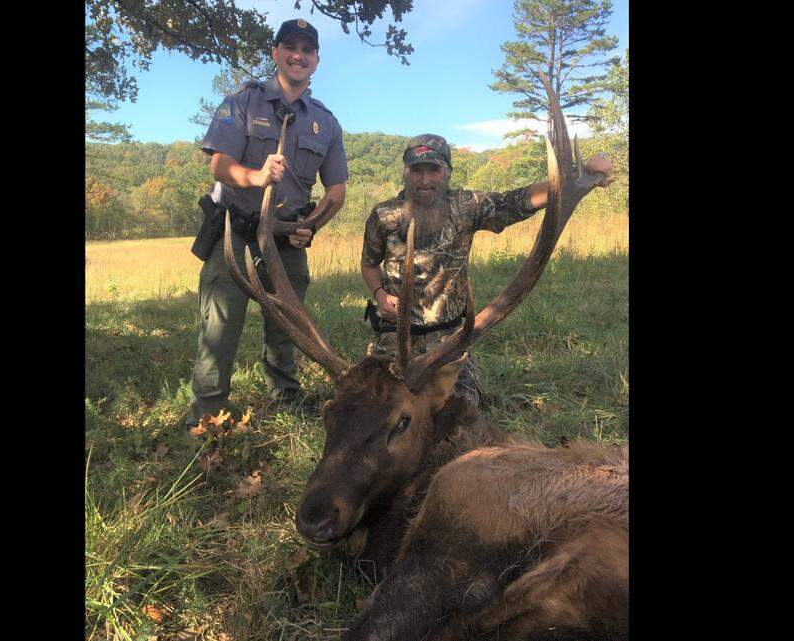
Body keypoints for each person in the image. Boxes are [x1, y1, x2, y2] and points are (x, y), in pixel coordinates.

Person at [360, 134, 612, 407]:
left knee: (462, 410)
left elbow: (517, 201)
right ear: (405, 172)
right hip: (395, 336)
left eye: (433, 170)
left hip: (449, 341)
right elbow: (369, 264)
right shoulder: (384, 215)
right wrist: (380, 293)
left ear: (447, 172)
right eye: (416, 170)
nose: (424, 180)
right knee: (373, 408)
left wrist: (582, 173)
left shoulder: (466, 206)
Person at [183, 18, 348, 428]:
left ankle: (285, 397)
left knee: (289, 324)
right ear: (275, 53)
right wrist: (257, 176)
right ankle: (207, 413)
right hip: (235, 230)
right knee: (219, 326)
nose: (298, 55)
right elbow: (219, 166)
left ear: (316, 61)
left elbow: (336, 193)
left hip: (286, 237)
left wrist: (312, 225)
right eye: (289, 47)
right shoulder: (243, 101)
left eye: (307, 50)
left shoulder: (326, 122)